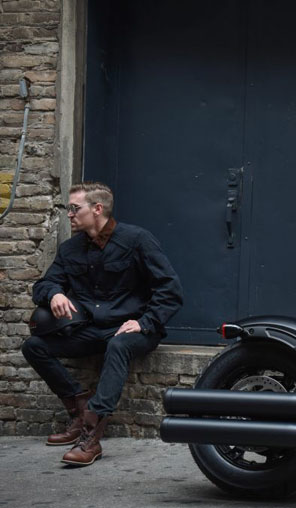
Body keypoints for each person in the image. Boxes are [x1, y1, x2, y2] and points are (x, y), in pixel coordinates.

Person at [21, 182, 183, 466]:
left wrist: (144, 322)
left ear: (97, 209)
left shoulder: (137, 240)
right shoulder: (70, 249)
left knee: (118, 344)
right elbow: (43, 284)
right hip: (92, 330)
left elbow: (170, 290)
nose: (69, 214)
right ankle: (78, 407)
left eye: (74, 208)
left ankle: (90, 435)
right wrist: (55, 292)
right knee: (34, 346)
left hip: (134, 329)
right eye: (68, 208)